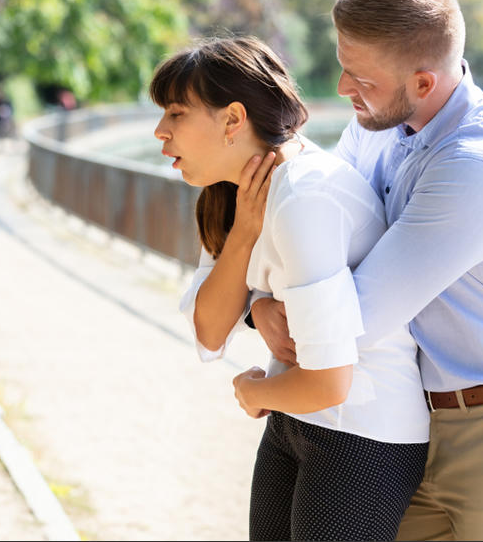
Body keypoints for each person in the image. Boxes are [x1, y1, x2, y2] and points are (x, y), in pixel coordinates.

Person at [249, 0, 483, 541]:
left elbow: (352, 318)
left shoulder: (477, 165)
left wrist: (268, 352)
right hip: (415, 420)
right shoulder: (377, 122)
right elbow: (318, 231)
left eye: (360, 77)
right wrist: (258, 302)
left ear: (425, 82)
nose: (340, 88)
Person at [151, 36, 430, 541]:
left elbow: (329, 382)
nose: (159, 132)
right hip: (297, 418)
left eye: (175, 114)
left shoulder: (305, 193)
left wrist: (253, 390)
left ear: (232, 120)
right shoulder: (238, 193)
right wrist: (242, 237)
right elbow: (210, 332)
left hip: (362, 431)